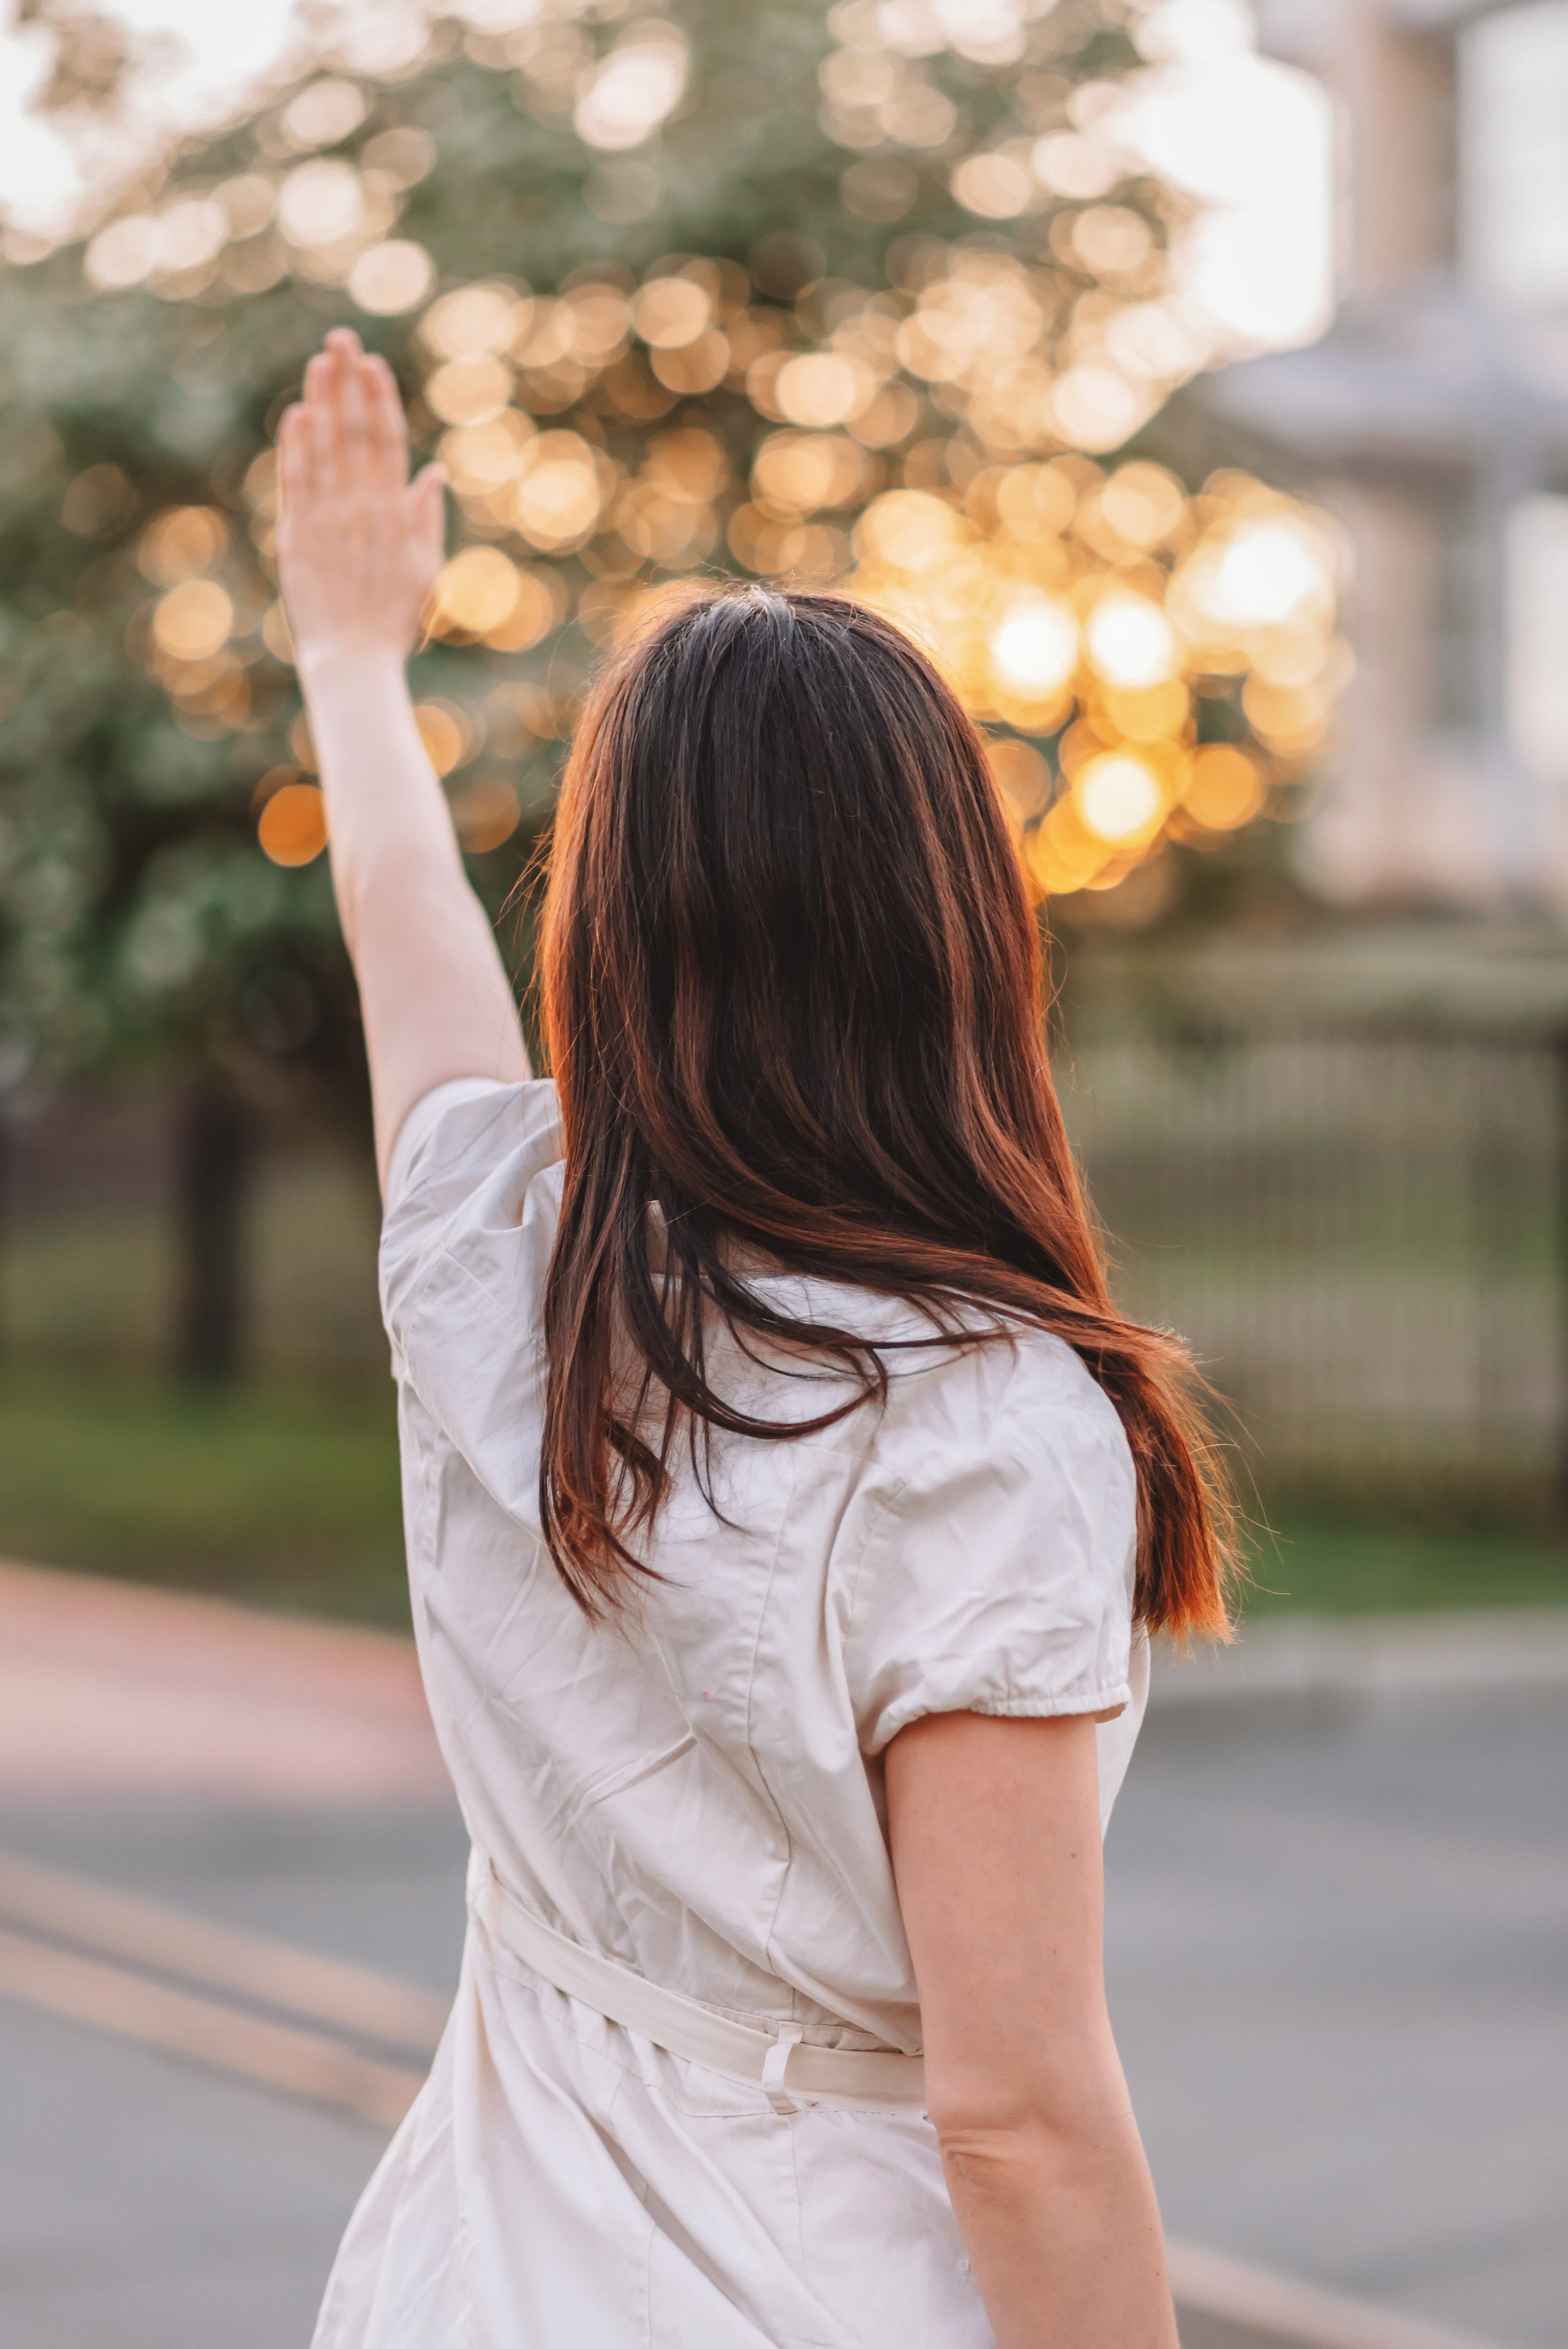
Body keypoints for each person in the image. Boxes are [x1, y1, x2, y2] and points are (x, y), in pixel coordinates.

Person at [278, 326, 1233, 2349]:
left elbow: (402, 921)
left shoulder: (497, 1248)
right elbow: (1020, 2116)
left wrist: (353, 661)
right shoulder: (977, 1419)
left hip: (469, 2284)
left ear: (611, 933)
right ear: (956, 927)